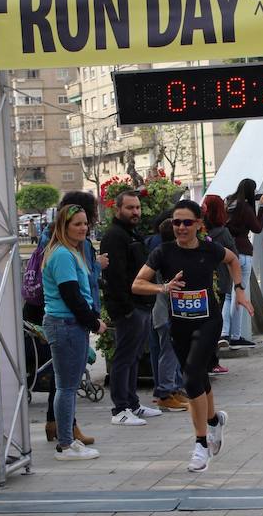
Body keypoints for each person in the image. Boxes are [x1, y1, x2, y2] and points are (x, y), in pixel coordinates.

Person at [132, 199, 252, 472]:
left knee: (190, 378)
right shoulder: (163, 253)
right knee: (198, 378)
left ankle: (200, 444)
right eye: (176, 222)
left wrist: (240, 289)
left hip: (208, 322)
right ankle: (214, 422)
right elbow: (138, 284)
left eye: (187, 222)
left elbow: (233, 260)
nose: (181, 227)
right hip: (179, 325)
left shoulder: (210, 249)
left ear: (199, 224)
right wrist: (163, 288)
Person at [27, 191, 107, 446]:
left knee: (67, 386)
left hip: (70, 324)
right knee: (66, 387)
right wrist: (94, 322)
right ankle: (66, 441)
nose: (83, 228)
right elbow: (71, 294)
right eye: (77, 224)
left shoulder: (70, 251)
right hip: (65, 324)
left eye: (85, 223)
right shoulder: (62, 254)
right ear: (65, 226)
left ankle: (65, 438)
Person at [101, 190, 163, 426]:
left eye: (137, 207)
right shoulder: (114, 236)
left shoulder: (130, 233)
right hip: (130, 308)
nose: (135, 212)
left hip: (141, 305)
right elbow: (114, 276)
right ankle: (120, 409)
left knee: (134, 356)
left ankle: (132, 404)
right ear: (118, 210)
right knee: (124, 357)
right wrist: (126, 308)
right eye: (130, 208)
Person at [147, 215, 190, 412]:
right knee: (168, 352)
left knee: (170, 351)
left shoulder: (160, 254)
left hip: (164, 312)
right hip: (165, 313)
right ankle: (165, 392)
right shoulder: (166, 257)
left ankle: (173, 388)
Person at [224, 179, 263, 348]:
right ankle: (236, 336)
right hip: (242, 252)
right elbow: (257, 228)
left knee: (227, 294)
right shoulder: (246, 208)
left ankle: (224, 333)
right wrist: (262, 208)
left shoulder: (228, 203)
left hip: (227, 252)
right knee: (239, 294)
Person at [201, 195, 237, 369]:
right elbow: (232, 256)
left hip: (201, 281)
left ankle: (204, 361)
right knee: (215, 322)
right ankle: (212, 362)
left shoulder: (200, 231)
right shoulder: (223, 232)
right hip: (220, 282)